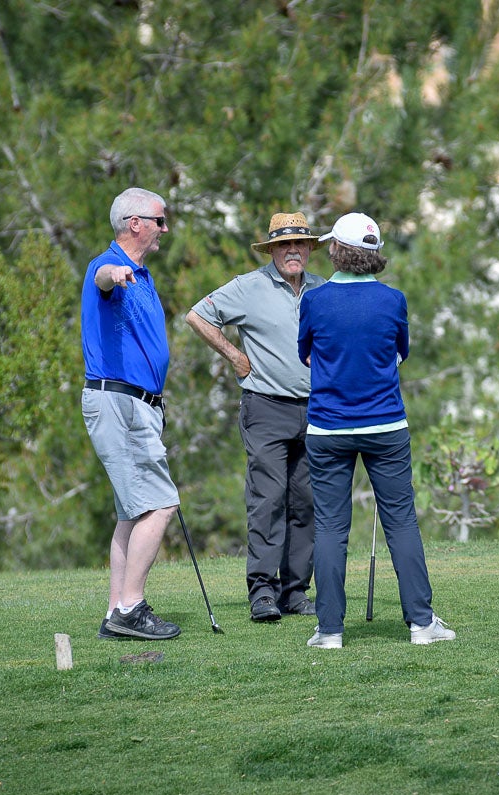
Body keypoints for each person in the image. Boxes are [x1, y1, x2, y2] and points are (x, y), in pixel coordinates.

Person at [298, 212, 455, 648]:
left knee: (330, 527)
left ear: (337, 250)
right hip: (386, 424)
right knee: (401, 522)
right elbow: (400, 352)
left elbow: (305, 354)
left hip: (328, 428)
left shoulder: (314, 300)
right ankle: (422, 626)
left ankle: (329, 630)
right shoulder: (393, 300)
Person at [185, 212, 326, 623]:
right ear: (272, 250)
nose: (293, 251)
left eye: (300, 244)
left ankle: (296, 592)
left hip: (315, 408)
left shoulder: (321, 289)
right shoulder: (249, 286)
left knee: (308, 502)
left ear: (309, 249)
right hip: (265, 406)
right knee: (268, 500)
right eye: (284, 245)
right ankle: (263, 591)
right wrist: (234, 355)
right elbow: (197, 315)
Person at [81, 187, 183, 640]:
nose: (166, 228)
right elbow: (101, 276)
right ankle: (130, 608)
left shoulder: (144, 274)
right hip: (119, 401)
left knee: (131, 512)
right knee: (161, 505)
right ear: (135, 223)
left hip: (136, 405)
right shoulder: (108, 266)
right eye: (160, 220)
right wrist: (114, 274)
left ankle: (115, 612)